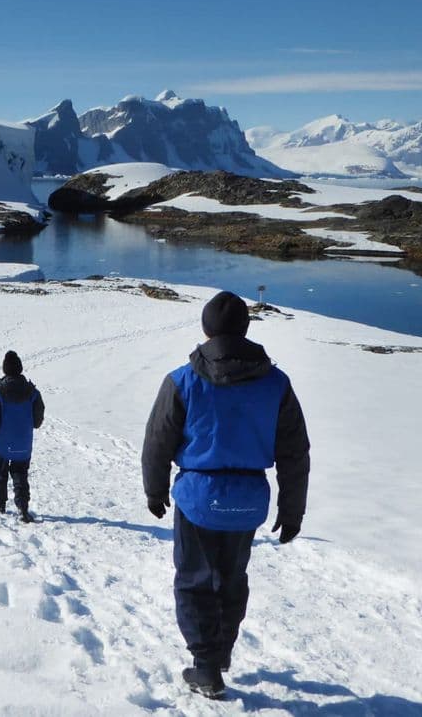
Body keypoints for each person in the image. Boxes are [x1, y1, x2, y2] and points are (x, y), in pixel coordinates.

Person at [141, 290, 310, 700]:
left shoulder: (182, 380)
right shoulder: (276, 384)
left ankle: (206, 667)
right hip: (247, 500)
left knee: (195, 581)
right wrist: (292, 510)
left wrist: (155, 488)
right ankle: (221, 653)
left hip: (199, 498)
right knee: (232, 579)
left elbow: (158, 440)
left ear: (206, 330)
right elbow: (293, 452)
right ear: (245, 329)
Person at [0, 351, 45, 523]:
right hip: (23, 442)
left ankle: (0, 505)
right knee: (20, 474)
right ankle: (23, 508)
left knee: (0, 473)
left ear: (5, 370)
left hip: (3, 442)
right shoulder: (33, 392)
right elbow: (38, 420)